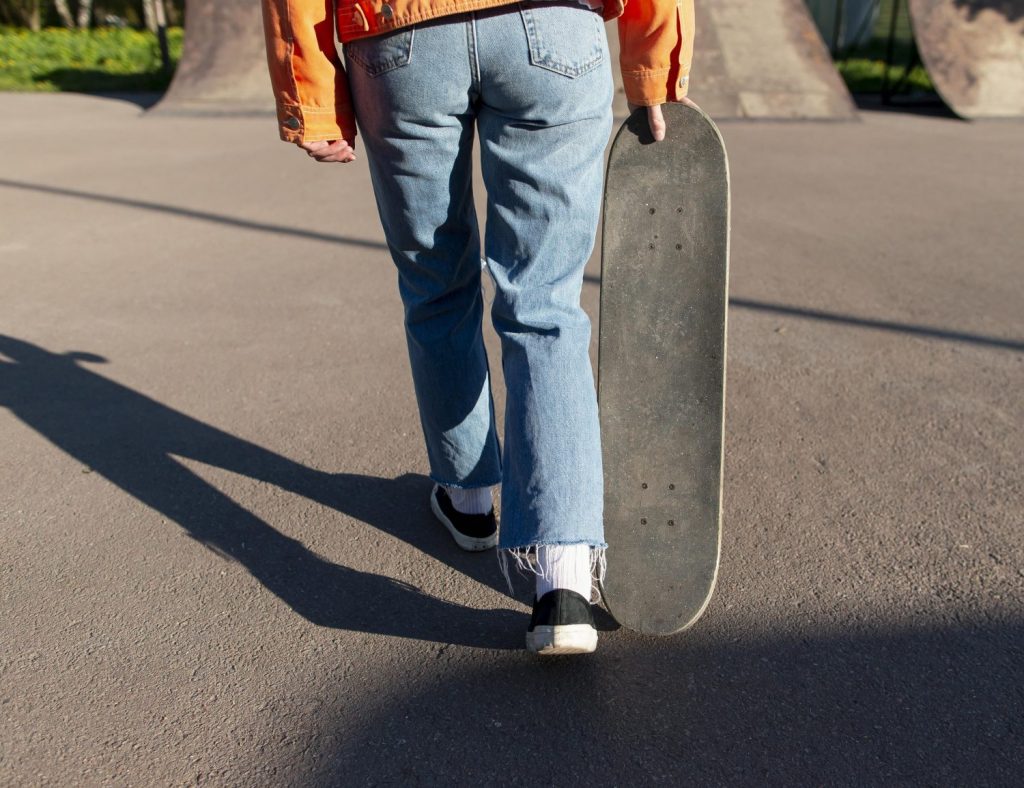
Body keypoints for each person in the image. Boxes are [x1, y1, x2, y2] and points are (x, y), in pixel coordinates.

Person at [260, 0, 696, 654]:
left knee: (436, 285)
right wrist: (655, 70)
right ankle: (564, 577)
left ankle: (469, 499)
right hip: (553, 33)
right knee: (544, 302)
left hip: (402, 41)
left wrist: (311, 97)